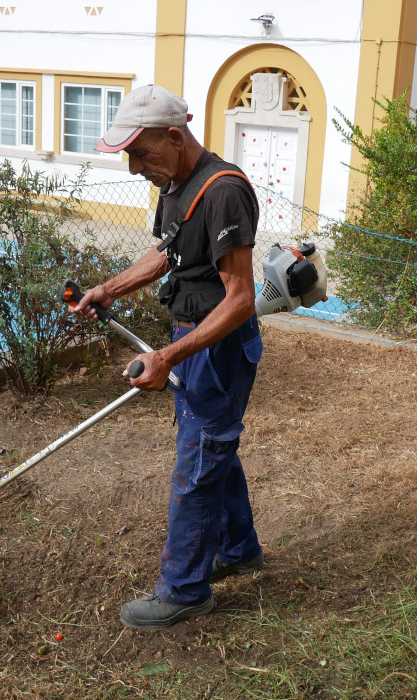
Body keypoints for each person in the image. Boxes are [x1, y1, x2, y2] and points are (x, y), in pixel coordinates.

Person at [68, 85, 264, 630]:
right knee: (211, 447)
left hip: (218, 347)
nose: (135, 169)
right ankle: (238, 548)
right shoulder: (177, 183)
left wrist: (170, 357)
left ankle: (184, 590)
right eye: (129, 156)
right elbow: (166, 251)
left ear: (175, 136)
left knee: (197, 465)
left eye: (142, 153)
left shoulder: (223, 191)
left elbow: (240, 298)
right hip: (195, 339)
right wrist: (110, 288)